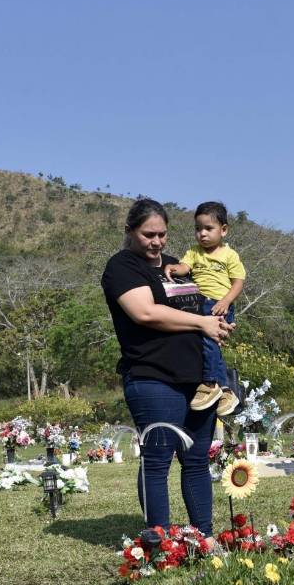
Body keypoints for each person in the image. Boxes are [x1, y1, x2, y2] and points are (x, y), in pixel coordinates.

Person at [101, 199, 234, 535]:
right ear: (130, 231)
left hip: (199, 382)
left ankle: (203, 538)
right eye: (148, 234)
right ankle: (159, 543)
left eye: (162, 234)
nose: (156, 242)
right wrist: (201, 323)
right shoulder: (122, 267)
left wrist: (218, 321)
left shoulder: (176, 265)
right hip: (152, 378)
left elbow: (208, 300)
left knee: (196, 460)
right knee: (158, 460)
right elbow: (145, 313)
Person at [164, 201, 245, 415]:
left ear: (224, 230)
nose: (202, 234)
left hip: (219, 305)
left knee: (210, 344)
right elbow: (185, 267)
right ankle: (226, 390)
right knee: (208, 345)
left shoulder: (230, 255)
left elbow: (238, 282)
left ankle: (210, 384)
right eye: (198, 229)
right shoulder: (194, 251)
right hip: (199, 304)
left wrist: (226, 302)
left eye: (208, 228)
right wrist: (175, 268)